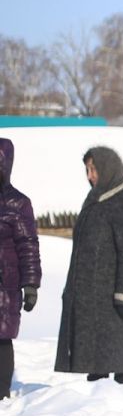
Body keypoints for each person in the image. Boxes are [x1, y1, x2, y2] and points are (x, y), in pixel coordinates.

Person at [55, 146, 123, 384]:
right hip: (90, 302)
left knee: (120, 371)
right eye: (87, 169)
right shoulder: (94, 201)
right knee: (95, 371)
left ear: (108, 167)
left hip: (113, 302)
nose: (89, 175)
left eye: (94, 168)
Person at [0, 138, 40, 399]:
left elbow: (28, 245)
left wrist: (31, 283)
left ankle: (1, 391)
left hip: (5, 281)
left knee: (2, 336)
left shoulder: (18, 203)